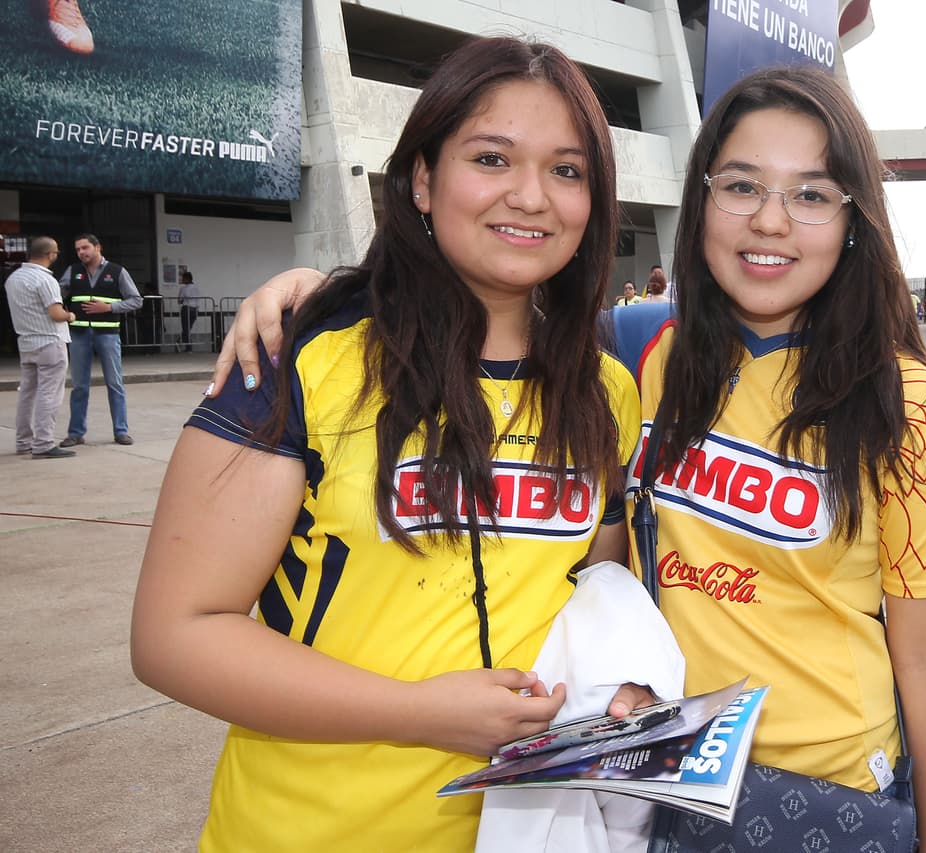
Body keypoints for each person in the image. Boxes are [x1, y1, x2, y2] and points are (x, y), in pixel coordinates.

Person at [216, 66, 926, 853]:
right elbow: (495, 306)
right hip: (656, 783)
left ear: (854, 219)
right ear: (700, 206)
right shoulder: (643, 352)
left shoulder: (908, 403)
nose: (771, 221)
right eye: (741, 186)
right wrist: (319, 296)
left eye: (812, 194)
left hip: (825, 793)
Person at [131, 38, 654, 851]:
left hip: (534, 833)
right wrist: (420, 712)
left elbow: (598, 589)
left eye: (567, 170)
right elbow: (175, 634)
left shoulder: (605, 392)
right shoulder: (302, 354)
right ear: (421, 178)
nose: (531, 197)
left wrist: (622, 686)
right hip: (309, 829)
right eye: (491, 157)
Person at [59, 233, 142, 446]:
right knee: (79, 385)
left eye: (85, 248)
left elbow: (136, 300)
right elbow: (57, 295)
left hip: (107, 335)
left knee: (115, 383)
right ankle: (75, 433)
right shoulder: (73, 271)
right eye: (78, 249)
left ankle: (121, 431)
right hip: (79, 335)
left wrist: (109, 308)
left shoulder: (117, 271)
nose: (81, 253)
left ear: (98, 247)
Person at [4, 236, 77, 458]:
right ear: (50, 254)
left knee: (27, 393)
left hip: (26, 343)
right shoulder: (46, 280)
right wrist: (70, 315)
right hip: (49, 342)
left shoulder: (13, 279)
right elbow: (55, 313)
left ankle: (23, 441)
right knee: (49, 394)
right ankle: (43, 443)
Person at [177, 270, 201, 352]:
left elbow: (179, 300)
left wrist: (181, 300)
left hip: (186, 308)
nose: (182, 280)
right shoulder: (196, 287)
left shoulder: (183, 288)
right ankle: (179, 343)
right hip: (194, 309)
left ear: (187, 279)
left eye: (183, 278)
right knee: (188, 328)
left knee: (185, 328)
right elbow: (198, 300)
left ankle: (187, 346)